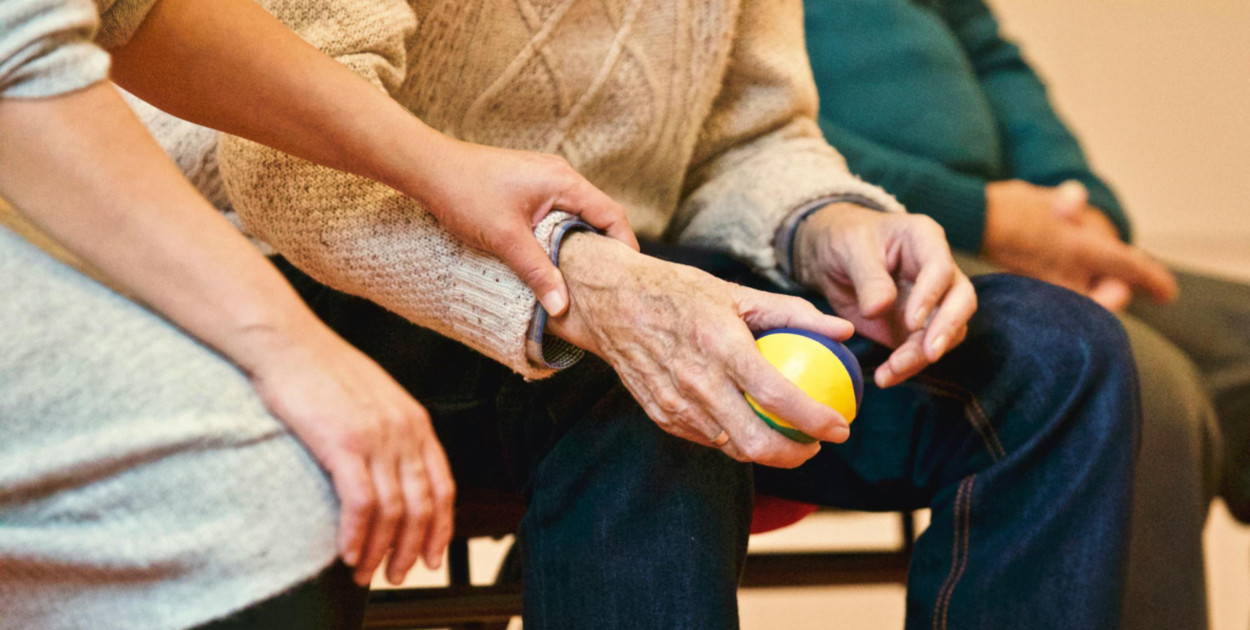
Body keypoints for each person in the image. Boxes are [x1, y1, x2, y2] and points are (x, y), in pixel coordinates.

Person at [134, 0, 1144, 628]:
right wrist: (592, 288)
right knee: (656, 380)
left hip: (631, 268)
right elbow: (290, 169)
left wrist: (826, 224)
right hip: (327, 266)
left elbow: (748, 135)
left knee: (1057, 358)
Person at [0, 0, 636, 627]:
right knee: (270, 500)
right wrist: (291, 347)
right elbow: (25, 53)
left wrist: (444, 167)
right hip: (171, 228)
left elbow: (131, 14)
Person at [802, 0, 1249, 627]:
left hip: (1007, 232)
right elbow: (748, 132)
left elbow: (991, 57)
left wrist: (1081, 210)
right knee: (1125, 373)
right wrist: (984, 215)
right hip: (846, 239)